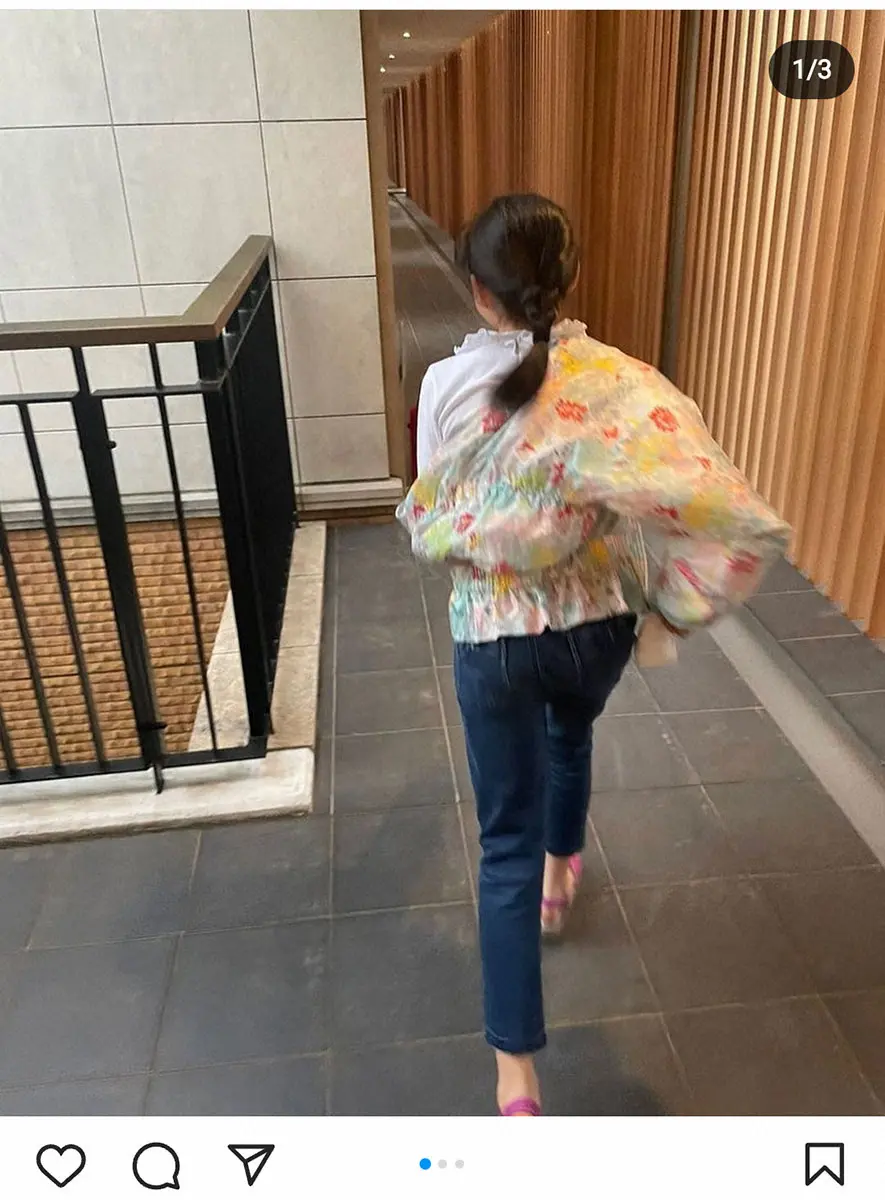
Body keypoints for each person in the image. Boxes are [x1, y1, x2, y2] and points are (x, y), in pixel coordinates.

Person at [398, 194, 789, 1117]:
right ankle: (559, 878)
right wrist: (673, 613)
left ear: (477, 289)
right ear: (562, 280)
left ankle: (516, 1078)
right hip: (596, 626)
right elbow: (730, 514)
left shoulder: (446, 386)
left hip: (493, 637)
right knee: (569, 740)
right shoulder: (622, 383)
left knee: (500, 840)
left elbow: (435, 506)